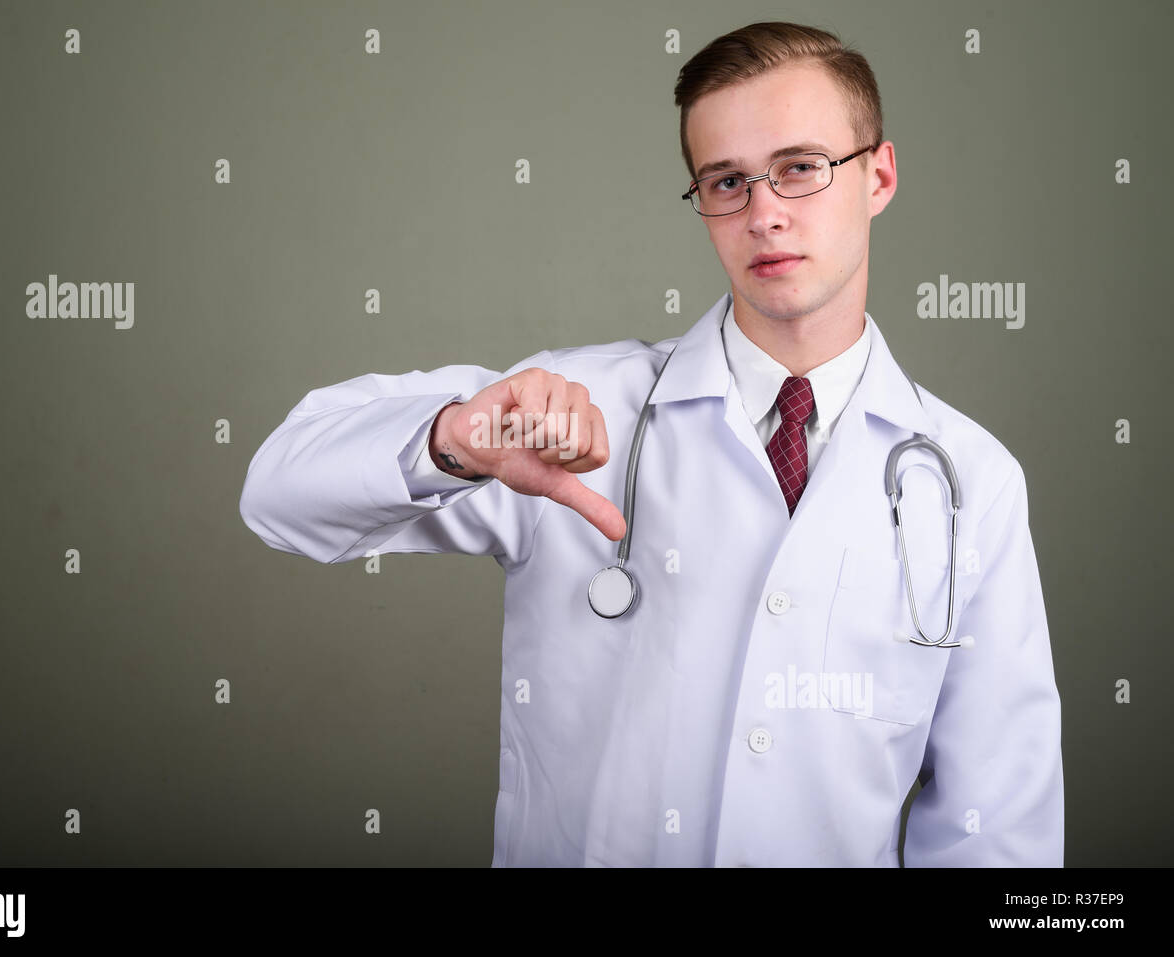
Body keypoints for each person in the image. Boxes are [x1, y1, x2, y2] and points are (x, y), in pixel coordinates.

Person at [239, 21, 1064, 867]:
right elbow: (275, 489)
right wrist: (458, 439)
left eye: (801, 167)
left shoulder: (970, 481)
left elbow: (997, 833)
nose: (765, 212)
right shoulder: (569, 416)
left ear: (878, 176)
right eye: (727, 180)